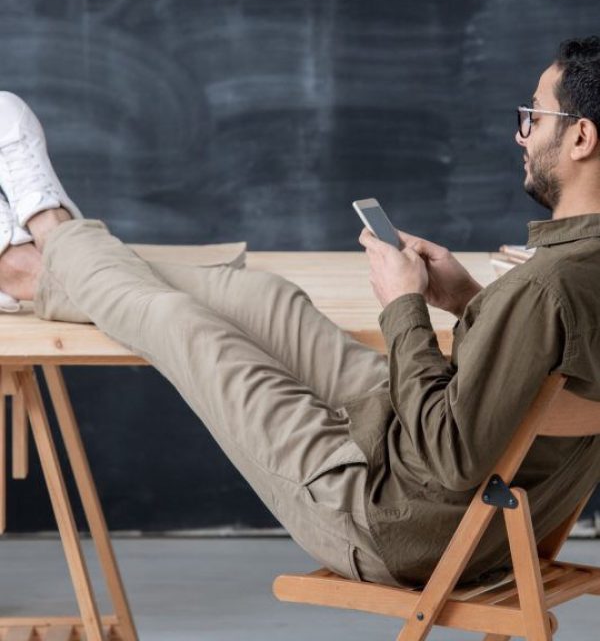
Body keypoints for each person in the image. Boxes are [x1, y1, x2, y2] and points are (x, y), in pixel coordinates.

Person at [1, 36, 600, 589]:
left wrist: (405, 304)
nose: (523, 135)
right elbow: (540, 362)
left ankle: (43, 240)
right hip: (435, 474)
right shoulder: (572, 269)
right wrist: (469, 299)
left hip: (391, 515)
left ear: (580, 138)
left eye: (535, 116)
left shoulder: (545, 284)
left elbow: (450, 453)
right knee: (269, 299)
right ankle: (51, 264)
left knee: (185, 328)